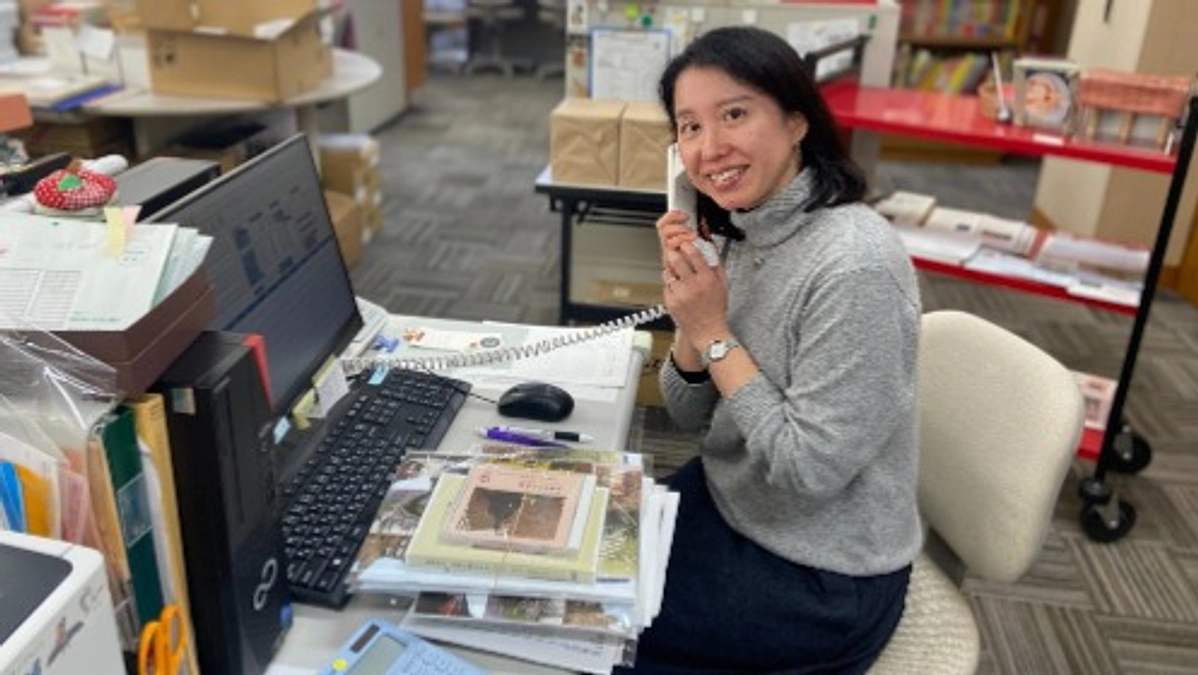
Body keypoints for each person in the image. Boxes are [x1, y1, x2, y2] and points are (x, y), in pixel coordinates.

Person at [621, 26, 923, 674]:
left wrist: (714, 331)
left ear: (795, 121)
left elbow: (807, 469)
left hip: (819, 567)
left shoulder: (855, 265)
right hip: (730, 498)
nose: (710, 148)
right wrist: (692, 318)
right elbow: (686, 413)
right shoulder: (740, 229)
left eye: (734, 114)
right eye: (690, 127)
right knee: (572, 569)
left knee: (591, 630)